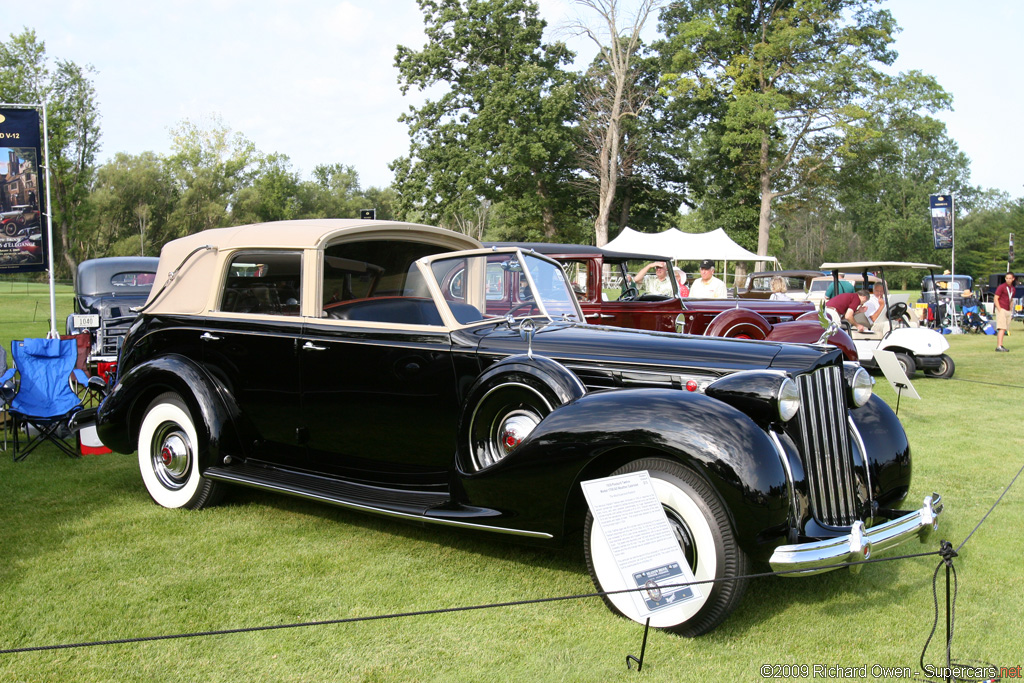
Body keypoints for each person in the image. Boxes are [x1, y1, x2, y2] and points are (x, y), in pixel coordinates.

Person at [994, 272, 1016, 352]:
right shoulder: (1002, 287)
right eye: (1007, 278)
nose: (1008, 280)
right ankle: (999, 346)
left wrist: (1010, 310)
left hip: (1007, 310)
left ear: (1013, 279)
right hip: (1002, 309)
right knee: (1002, 328)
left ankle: (1001, 345)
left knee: (1005, 328)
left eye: (1010, 278)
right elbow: (996, 298)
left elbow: (1011, 300)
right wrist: (999, 309)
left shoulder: (1013, 288)